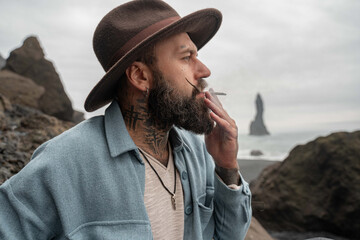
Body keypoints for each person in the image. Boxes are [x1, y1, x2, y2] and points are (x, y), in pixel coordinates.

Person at [0, 0, 252, 239]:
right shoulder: (65, 161)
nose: (204, 70)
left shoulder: (199, 152)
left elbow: (229, 235)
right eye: (187, 57)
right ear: (140, 76)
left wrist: (227, 166)